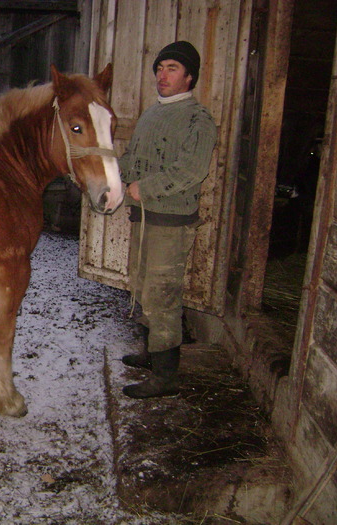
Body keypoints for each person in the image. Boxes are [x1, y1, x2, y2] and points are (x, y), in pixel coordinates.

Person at [118, 41, 217, 399]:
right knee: (141, 285)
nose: (163, 74)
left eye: (172, 68)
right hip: (143, 217)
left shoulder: (198, 119)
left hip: (171, 221)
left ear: (190, 77)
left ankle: (165, 376)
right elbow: (132, 159)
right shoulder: (150, 113)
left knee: (162, 294)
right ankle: (150, 353)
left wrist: (148, 187)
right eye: (160, 68)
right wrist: (112, 175)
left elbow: (192, 170)